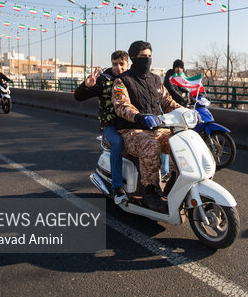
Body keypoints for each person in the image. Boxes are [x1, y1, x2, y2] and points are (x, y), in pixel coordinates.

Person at [112, 41, 181, 213]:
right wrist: (138, 116)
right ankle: (150, 191)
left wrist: (185, 111)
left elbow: (168, 102)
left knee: (180, 142)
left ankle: (177, 182)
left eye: (149, 56)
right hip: (131, 130)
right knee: (150, 145)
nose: (147, 60)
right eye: (143, 57)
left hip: (156, 128)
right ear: (134, 58)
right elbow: (121, 105)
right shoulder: (122, 80)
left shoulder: (156, 80)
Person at [75, 51, 130, 204]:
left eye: (121, 64)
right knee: (117, 142)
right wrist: (86, 86)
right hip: (110, 124)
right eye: (115, 64)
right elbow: (79, 97)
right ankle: (117, 187)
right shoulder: (104, 80)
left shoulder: (132, 79)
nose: (118, 67)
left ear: (127, 64)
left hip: (130, 123)